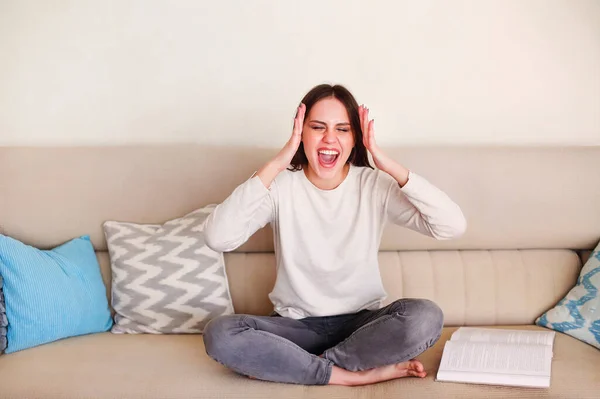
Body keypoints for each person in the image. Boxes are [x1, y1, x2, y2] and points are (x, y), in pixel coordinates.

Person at [202, 84, 466, 386]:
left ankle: (307, 368)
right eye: (317, 127)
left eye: (343, 129)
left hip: (361, 326)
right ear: (301, 133)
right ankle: (351, 376)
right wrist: (279, 161)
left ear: (356, 138)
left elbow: (452, 225)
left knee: (425, 317)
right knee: (220, 333)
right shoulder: (280, 186)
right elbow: (217, 237)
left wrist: (384, 161)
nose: (329, 138)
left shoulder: (374, 184)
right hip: (293, 328)